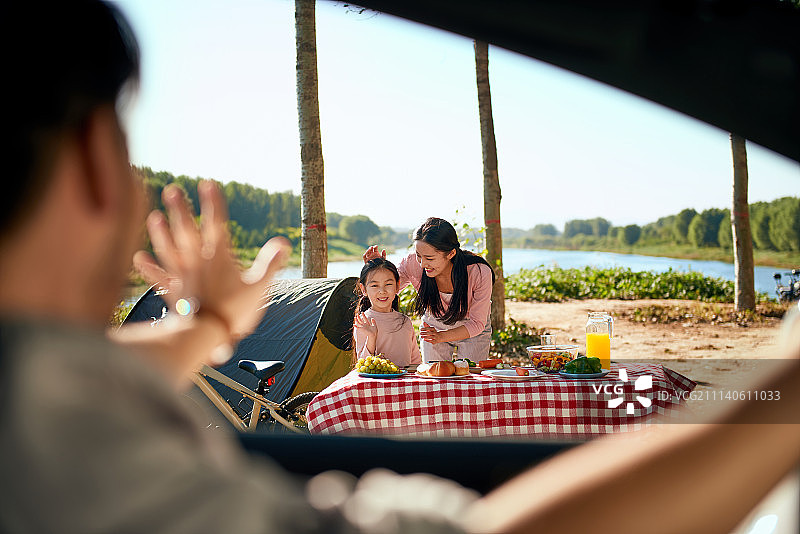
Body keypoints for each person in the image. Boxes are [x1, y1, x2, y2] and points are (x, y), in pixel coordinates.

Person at [1, 3, 797, 533]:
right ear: (95, 167)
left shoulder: (39, 384)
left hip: (468, 371)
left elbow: (93, 368)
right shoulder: (85, 467)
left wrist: (209, 327)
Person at [364, 217, 495, 363]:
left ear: (451, 253)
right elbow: (387, 290)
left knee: (470, 379)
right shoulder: (412, 264)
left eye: (429, 258)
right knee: (433, 380)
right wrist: (376, 269)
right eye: (419, 256)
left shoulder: (479, 272)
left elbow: (477, 323)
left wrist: (441, 336)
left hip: (471, 328)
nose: (422, 264)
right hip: (433, 326)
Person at [353, 258, 422, 367]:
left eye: (388, 284)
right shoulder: (363, 321)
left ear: (397, 286)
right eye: (374, 285)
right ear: (364, 289)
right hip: (377, 383)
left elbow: (416, 362)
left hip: (405, 382)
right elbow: (363, 366)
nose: (382, 291)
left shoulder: (405, 321)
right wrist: (372, 337)